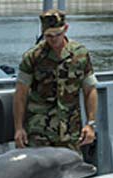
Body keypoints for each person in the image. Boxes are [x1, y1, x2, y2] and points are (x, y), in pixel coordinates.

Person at [13, 9, 98, 154]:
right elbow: (20, 94)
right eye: (48, 35)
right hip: (39, 132)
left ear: (65, 29)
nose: (54, 39)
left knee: (72, 172)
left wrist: (90, 124)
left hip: (70, 132)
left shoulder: (80, 54)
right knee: (39, 174)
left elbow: (90, 89)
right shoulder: (33, 57)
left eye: (57, 34)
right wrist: (19, 128)